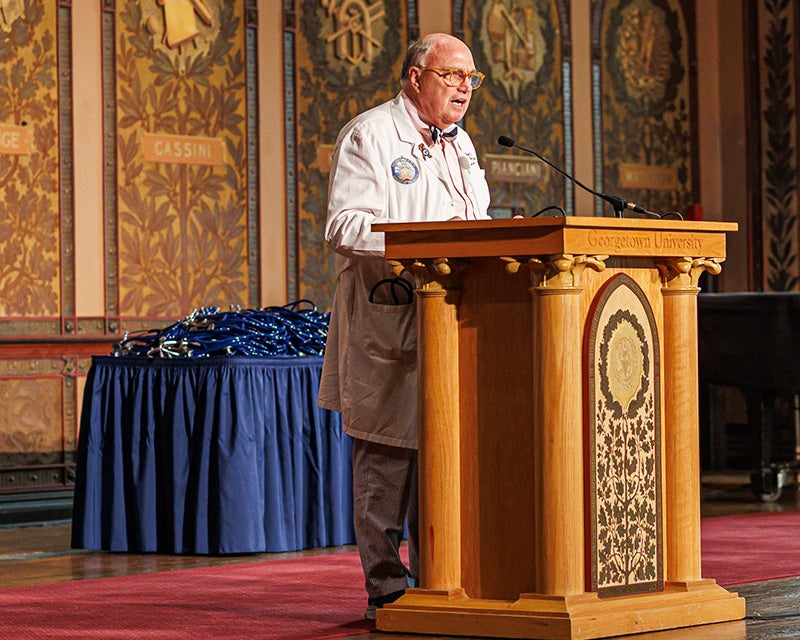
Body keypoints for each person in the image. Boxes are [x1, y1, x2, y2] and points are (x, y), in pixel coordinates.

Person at [317, 32, 491, 620]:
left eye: (471, 78)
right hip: (390, 320)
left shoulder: (461, 145)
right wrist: (422, 246)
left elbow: (475, 222)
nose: (464, 88)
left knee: (448, 457)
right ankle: (386, 587)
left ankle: (446, 575)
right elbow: (343, 226)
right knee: (387, 461)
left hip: (455, 325)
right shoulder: (370, 134)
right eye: (452, 76)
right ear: (416, 77)